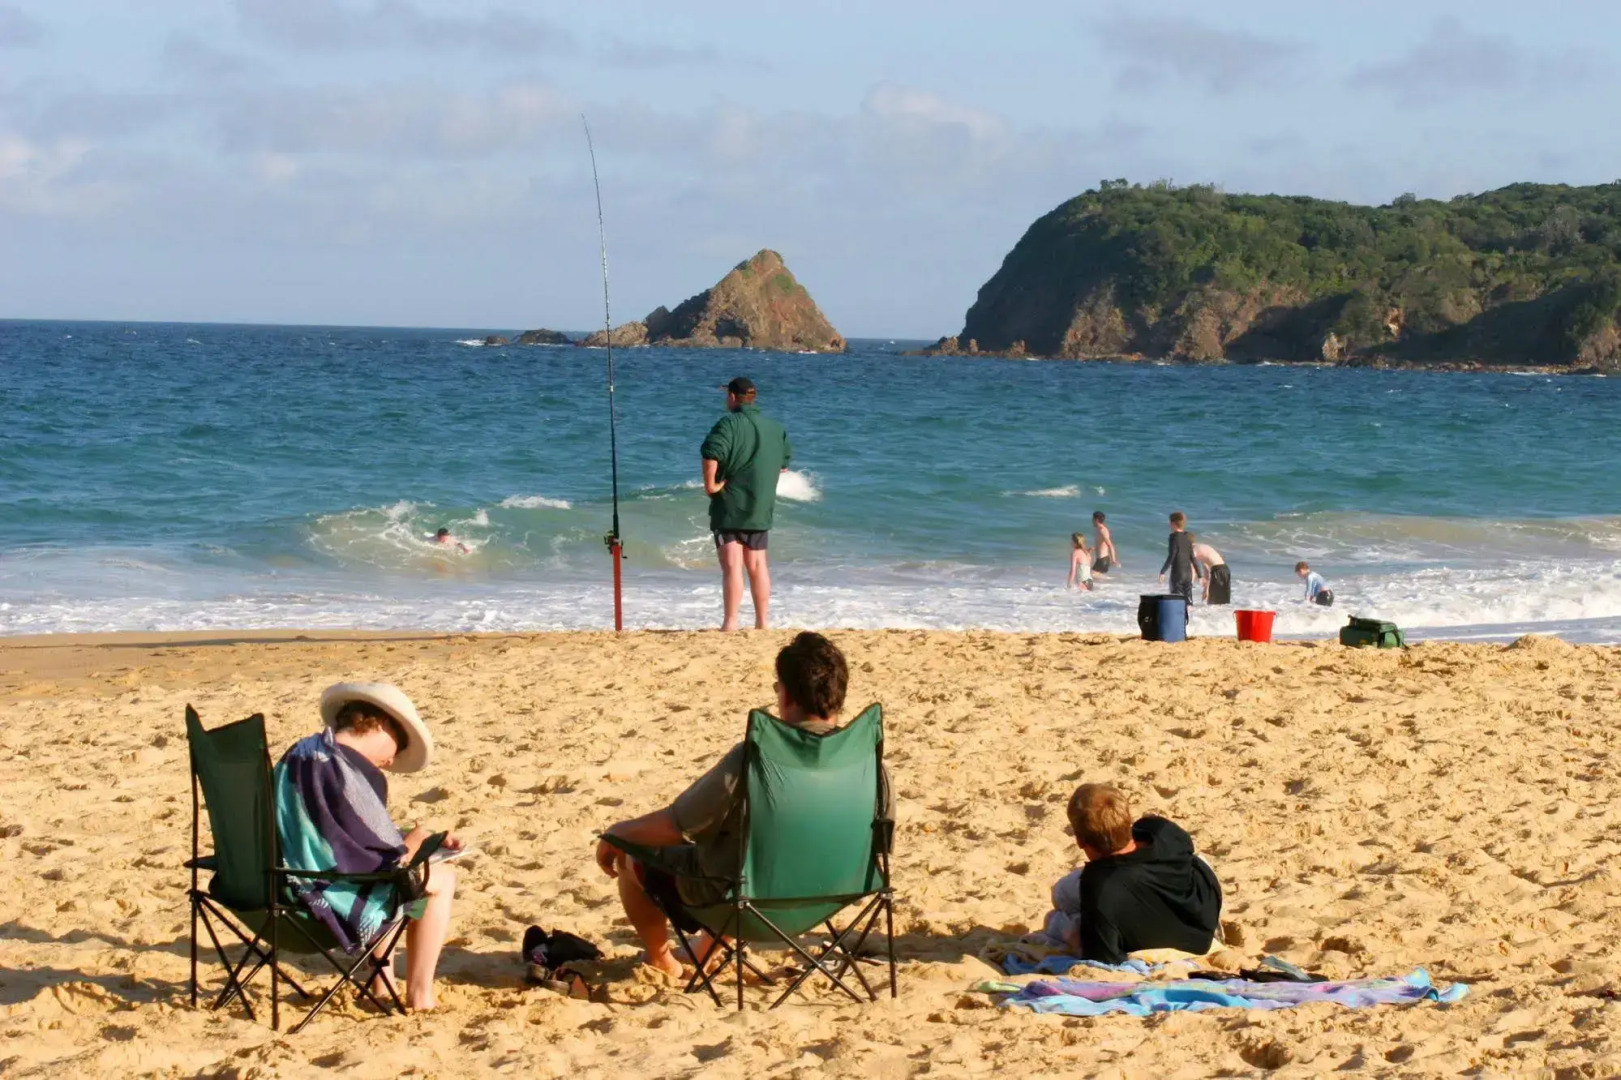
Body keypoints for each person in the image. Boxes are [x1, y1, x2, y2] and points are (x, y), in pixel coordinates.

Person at [594, 632, 892, 978]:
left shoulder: (756, 760)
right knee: (743, 848)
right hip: (832, 897)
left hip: (745, 901)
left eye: (778, 687)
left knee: (632, 852)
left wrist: (616, 833)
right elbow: (882, 843)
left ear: (788, 694)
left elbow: (679, 825)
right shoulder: (868, 764)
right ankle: (705, 952)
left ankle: (662, 961)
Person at [274, 683, 462, 1011]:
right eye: (398, 745)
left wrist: (404, 840)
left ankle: (381, 980)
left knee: (404, 875)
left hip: (275, 882)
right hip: (322, 896)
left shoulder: (301, 754)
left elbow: (332, 832)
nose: (391, 760)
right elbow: (381, 860)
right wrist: (417, 840)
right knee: (438, 879)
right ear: (380, 723)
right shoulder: (352, 772)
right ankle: (420, 997)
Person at [1041, 783, 1222, 964]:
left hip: (1154, 931)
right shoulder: (1160, 830)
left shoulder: (1099, 884)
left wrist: (1078, 939)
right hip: (1201, 919)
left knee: (1058, 907)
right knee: (1195, 861)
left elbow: (1103, 958)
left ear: (1080, 841)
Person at [701, 377, 792, 631]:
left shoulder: (728, 423)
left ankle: (730, 623)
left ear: (732, 397)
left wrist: (711, 486)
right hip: (760, 505)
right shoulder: (775, 427)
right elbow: (784, 464)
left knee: (732, 565)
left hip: (729, 504)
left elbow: (711, 453)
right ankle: (763, 623)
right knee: (758, 564)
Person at [1157, 512, 1199, 603]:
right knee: (1188, 602)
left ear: (1173, 523)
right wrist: (1200, 575)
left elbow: (1172, 554)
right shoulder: (1187, 538)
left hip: (1177, 574)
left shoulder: (1173, 537)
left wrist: (1163, 571)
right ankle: (1190, 617)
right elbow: (1193, 558)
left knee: (1177, 601)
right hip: (1188, 574)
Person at [1192, 535, 1230, 605]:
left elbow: (1193, 568)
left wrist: (1190, 584)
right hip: (1225, 569)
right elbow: (1207, 571)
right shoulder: (1202, 548)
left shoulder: (1193, 549)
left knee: (1214, 602)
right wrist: (1206, 588)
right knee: (1222, 602)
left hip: (1217, 570)